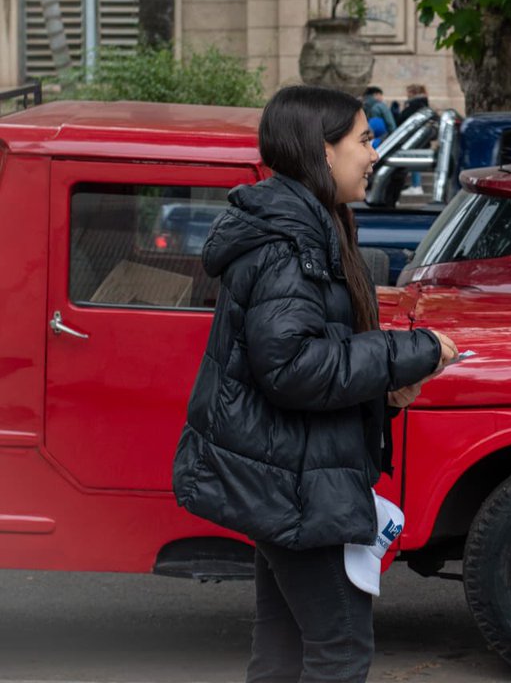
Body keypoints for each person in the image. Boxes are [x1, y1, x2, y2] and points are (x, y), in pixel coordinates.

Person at [173, 85, 457, 682]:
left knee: (284, 649)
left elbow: (306, 354)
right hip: (296, 483)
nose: (374, 154)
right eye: (364, 140)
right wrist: (413, 351)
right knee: (338, 652)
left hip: (295, 473)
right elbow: (293, 367)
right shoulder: (287, 242)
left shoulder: (312, 224)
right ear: (323, 153)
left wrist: (385, 389)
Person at [391, 84, 431, 196]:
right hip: (419, 137)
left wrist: (398, 113)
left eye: (408, 92)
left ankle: (416, 185)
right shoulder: (423, 103)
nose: (407, 94)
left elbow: (403, 118)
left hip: (414, 138)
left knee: (414, 162)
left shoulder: (414, 104)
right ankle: (416, 185)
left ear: (413, 93)